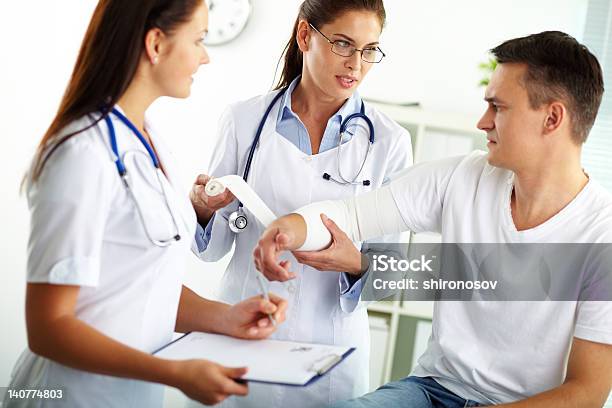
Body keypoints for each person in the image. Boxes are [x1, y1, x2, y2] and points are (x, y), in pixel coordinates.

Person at [253, 31, 612, 407]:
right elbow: (348, 215)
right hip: (432, 390)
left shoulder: (601, 236)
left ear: (552, 118)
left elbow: (586, 393)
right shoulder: (463, 177)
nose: (482, 122)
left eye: (498, 107)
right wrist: (289, 230)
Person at [5, 1, 287, 407]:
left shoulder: (150, 142)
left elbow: (141, 286)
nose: (205, 57)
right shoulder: (81, 153)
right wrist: (173, 372)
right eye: (198, 39)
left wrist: (225, 318)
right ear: (156, 43)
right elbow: (49, 326)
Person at [188, 0, 412, 406]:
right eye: (343, 44)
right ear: (305, 35)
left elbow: (392, 272)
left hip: (329, 349)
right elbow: (212, 248)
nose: (356, 64)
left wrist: (354, 262)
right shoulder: (243, 120)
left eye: (369, 50)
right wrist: (204, 209)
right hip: (244, 328)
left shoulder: (390, 143)